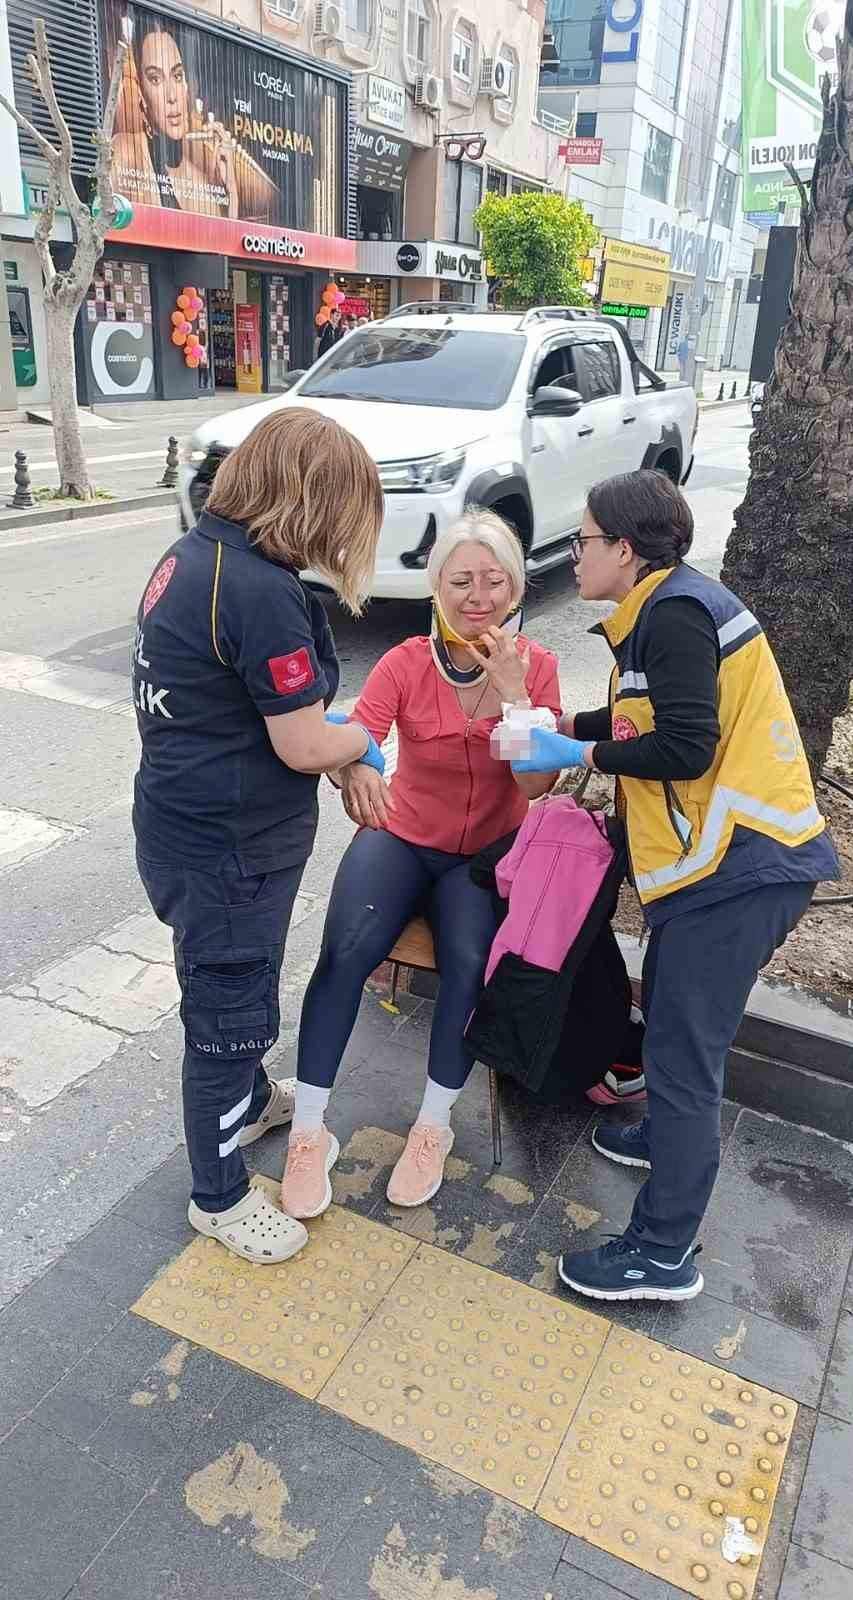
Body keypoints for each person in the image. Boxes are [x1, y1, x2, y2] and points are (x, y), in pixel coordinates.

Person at [511, 470, 839, 1302]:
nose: (575, 553)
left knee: (684, 1057)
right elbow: (641, 721)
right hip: (723, 869)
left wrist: (572, 756)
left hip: (742, 870)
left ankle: (661, 1253)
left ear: (624, 550)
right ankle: (665, 1136)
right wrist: (564, 726)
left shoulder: (677, 616)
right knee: (668, 1009)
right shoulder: (660, 611)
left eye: (583, 540)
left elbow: (686, 747)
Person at [132, 410, 384, 1265]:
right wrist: (370, 743)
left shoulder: (194, 556)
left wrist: (334, 745)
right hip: (230, 851)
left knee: (224, 984)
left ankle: (253, 1097)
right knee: (227, 1016)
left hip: (183, 828)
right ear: (311, 499)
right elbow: (306, 741)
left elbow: (261, 712)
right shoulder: (261, 591)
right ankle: (221, 1195)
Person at [280, 511, 562, 1219]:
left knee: (468, 962)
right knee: (345, 949)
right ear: (436, 587)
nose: (478, 597)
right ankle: (308, 1133)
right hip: (402, 837)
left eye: (494, 582)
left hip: (481, 860)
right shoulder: (406, 661)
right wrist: (355, 774)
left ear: (516, 587)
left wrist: (516, 695)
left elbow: (534, 788)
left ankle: (432, 1128)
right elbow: (351, 735)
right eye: (461, 581)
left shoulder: (541, 669)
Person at [112, 16, 241, 219]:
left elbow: (224, 247)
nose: (171, 96)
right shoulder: (124, 152)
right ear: (142, 93)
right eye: (155, 79)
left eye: (177, 75)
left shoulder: (200, 185)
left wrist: (231, 188)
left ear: (188, 87)